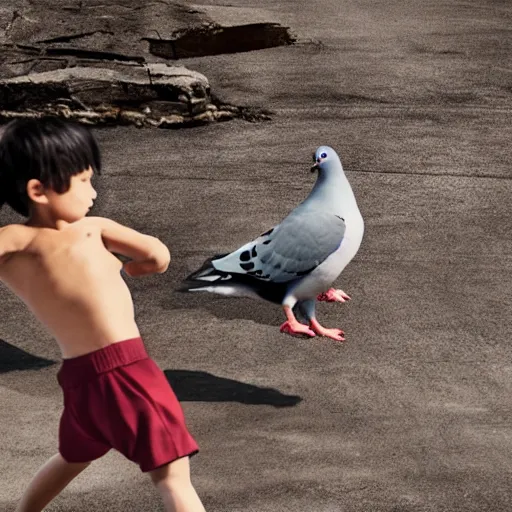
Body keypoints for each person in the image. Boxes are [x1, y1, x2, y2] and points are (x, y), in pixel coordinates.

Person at [0, 117, 206, 512]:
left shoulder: (14, 242)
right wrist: (132, 268)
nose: (92, 193)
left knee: (73, 457)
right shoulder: (93, 229)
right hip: (126, 370)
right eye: (83, 181)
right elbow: (157, 255)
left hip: (79, 380)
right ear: (38, 190)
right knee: (173, 475)